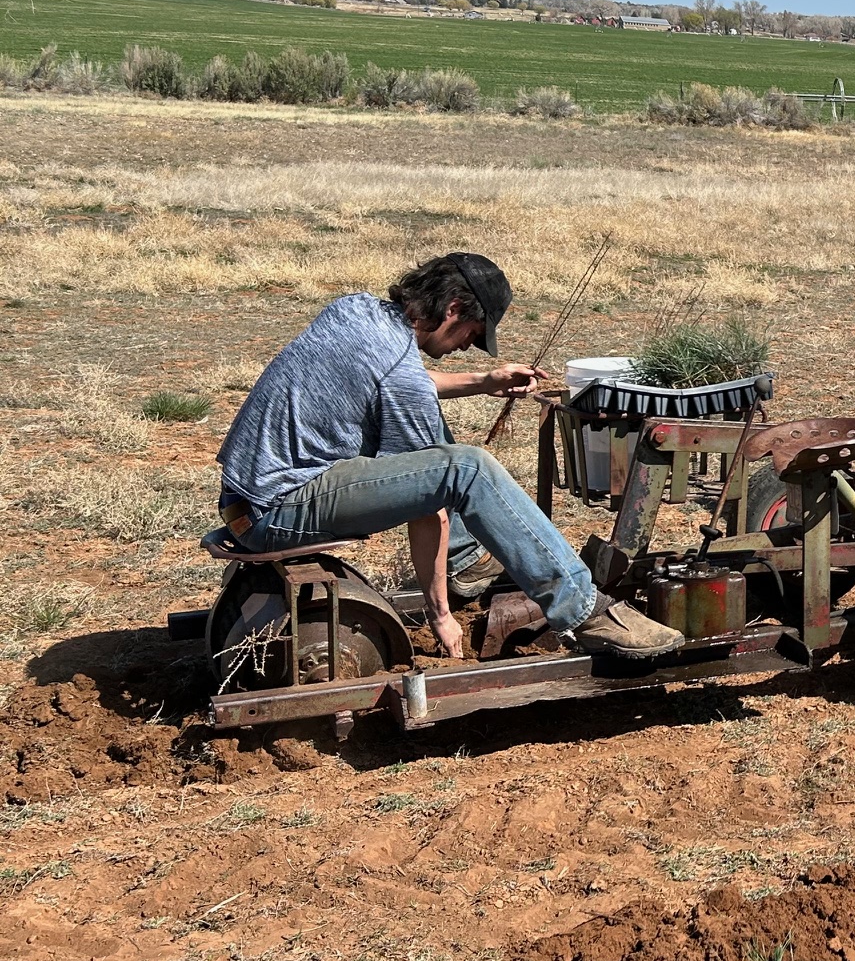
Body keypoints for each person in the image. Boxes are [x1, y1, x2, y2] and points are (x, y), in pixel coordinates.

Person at [213, 252, 683, 661]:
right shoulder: (401, 372)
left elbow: (395, 383)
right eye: (471, 334)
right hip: (279, 509)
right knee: (466, 467)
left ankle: (465, 559)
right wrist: (439, 614)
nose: (464, 347)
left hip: (246, 498)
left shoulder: (356, 311)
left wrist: (485, 380)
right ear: (453, 309)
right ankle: (585, 610)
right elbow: (428, 501)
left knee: (434, 439)